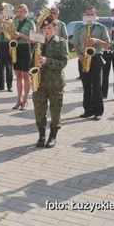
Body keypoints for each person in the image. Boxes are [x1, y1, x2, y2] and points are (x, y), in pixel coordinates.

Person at [32, 16, 69, 148]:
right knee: (39, 111)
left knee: (55, 111)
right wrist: (32, 69)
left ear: (55, 29)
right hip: (40, 82)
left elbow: (63, 63)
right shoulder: (38, 42)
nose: (46, 30)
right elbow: (32, 61)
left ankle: (52, 136)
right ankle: (41, 136)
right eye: (44, 28)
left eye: (49, 28)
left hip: (55, 83)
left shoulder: (61, 42)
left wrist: (47, 60)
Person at [71, 6, 111, 121]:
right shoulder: (79, 27)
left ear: (95, 15)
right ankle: (88, 110)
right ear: (85, 15)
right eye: (87, 15)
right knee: (86, 86)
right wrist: (79, 56)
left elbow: (108, 45)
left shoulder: (101, 27)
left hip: (96, 57)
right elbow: (75, 45)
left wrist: (96, 41)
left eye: (91, 15)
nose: (89, 17)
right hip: (83, 58)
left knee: (97, 86)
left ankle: (98, 112)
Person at [11, 4, 36, 110]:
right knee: (18, 76)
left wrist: (20, 35)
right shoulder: (15, 22)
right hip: (15, 48)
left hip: (25, 48)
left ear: (26, 12)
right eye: (18, 11)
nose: (19, 13)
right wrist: (12, 38)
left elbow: (33, 40)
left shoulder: (30, 23)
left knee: (26, 76)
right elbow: (11, 36)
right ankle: (19, 100)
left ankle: (25, 100)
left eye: (22, 11)